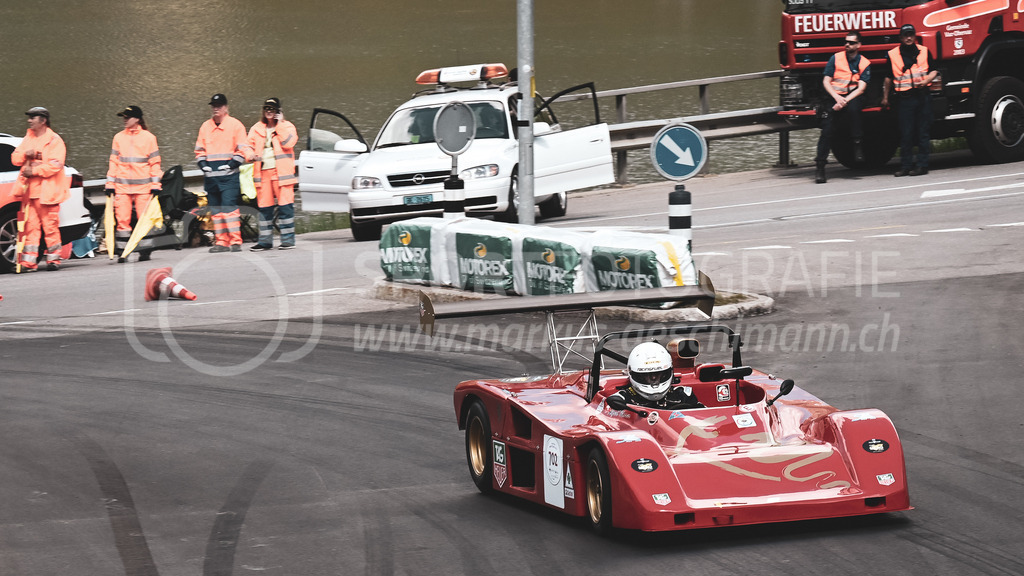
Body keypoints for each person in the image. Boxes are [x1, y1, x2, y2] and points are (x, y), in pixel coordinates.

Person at [11, 107, 70, 272]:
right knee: (30, 228)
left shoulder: (54, 140)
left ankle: (54, 260)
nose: (29, 121)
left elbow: (55, 165)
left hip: (47, 193)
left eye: (32, 117)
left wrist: (34, 171)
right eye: (29, 117)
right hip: (30, 193)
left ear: (43, 121)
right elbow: (15, 158)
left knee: (50, 227)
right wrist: (25, 155)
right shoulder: (28, 138)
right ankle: (29, 263)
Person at [195, 93, 252, 252]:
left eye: (219, 106)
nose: (216, 109)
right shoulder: (205, 127)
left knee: (229, 208)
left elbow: (242, 150)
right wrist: (203, 165)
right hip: (211, 178)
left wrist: (231, 164)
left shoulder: (235, 125)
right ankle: (221, 242)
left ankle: (235, 241)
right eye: (213, 106)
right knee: (216, 211)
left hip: (229, 177)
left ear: (226, 107)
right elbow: (199, 151)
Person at [105, 105, 162, 262]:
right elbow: (113, 162)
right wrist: (110, 184)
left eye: (127, 117)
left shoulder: (149, 138)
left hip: (143, 187)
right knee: (122, 220)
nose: (124, 120)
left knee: (144, 220)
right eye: (123, 117)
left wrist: (155, 185)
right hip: (122, 187)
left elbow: (155, 163)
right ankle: (123, 252)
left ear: (137, 119)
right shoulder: (118, 138)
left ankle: (145, 251)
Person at [814, 30, 870, 184]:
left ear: (858, 45)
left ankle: (857, 145)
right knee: (827, 129)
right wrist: (837, 98)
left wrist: (844, 101)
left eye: (851, 42)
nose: (847, 44)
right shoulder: (836, 58)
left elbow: (861, 89)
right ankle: (820, 167)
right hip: (834, 96)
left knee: (854, 110)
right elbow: (826, 81)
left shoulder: (864, 63)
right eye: (846, 42)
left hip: (852, 96)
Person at [882, 24, 938, 177]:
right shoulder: (893, 55)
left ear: (914, 36)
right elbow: (888, 77)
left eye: (911, 35)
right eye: (905, 35)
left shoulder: (924, 51)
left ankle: (922, 166)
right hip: (905, 99)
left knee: (922, 133)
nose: (908, 38)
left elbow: (934, 70)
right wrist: (885, 97)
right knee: (906, 134)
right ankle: (905, 166)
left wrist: (926, 81)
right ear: (901, 37)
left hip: (922, 96)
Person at [247, 97, 298, 251]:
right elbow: (247, 146)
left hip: (282, 174)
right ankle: (265, 241)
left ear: (278, 111)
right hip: (263, 174)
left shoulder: (287, 126)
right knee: (265, 209)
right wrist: (250, 155)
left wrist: (280, 124)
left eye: (272, 109)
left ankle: (288, 240)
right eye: (267, 109)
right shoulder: (256, 128)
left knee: (285, 207)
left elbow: (288, 143)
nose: (269, 112)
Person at [607, 342, 704, 410]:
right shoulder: (621, 400)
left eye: (658, 373)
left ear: (668, 372)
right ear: (635, 374)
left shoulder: (683, 395)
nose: (653, 378)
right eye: (646, 374)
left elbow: (703, 419)